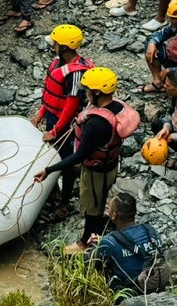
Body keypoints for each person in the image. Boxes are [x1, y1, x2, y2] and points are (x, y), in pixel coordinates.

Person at [33, 67, 140, 254]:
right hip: (111, 165)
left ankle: (85, 243)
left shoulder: (97, 125)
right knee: (99, 200)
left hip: (97, 171)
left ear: (97, 92)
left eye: (88, 90)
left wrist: (49, 170)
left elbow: (79, 156)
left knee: (93, 207)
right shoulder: (113, 106)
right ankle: (100, 226)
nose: (85, 93)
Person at [33, 24, 93, 219]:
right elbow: (51, 93)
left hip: (65, 122)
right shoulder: (58, 62)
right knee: (52, 153)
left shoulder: (76, 72)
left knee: (66, 160)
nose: (53, 46)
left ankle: (65, 201)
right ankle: (53, 189)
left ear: (65, 47)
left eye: (56, 44)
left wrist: (57, 129)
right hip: (53, 116)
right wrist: (41, 113)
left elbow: (71, 103)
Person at [90, 193, 168, 294]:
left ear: (113, 215)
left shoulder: (108, 242)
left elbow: (95, 265)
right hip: (156, 286)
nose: (107, 209)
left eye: (108, 207)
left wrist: (99, 244)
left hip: (131, 294)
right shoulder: (150, 230)